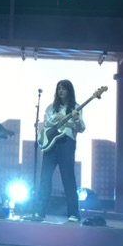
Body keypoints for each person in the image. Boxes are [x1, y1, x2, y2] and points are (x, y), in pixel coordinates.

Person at [26, 79, 85, 222]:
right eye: (59, 88)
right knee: (45, 178)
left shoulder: (76, 108)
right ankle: (39, 212)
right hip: (51, 144)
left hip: (67, 143)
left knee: (68, 178)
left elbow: (81, 128)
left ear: (69, 91)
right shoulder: (50, 108)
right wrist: (57, 118)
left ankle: (73, 213)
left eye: (64, 88)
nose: (61, 91)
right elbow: (47, 124)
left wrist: (74, 119)